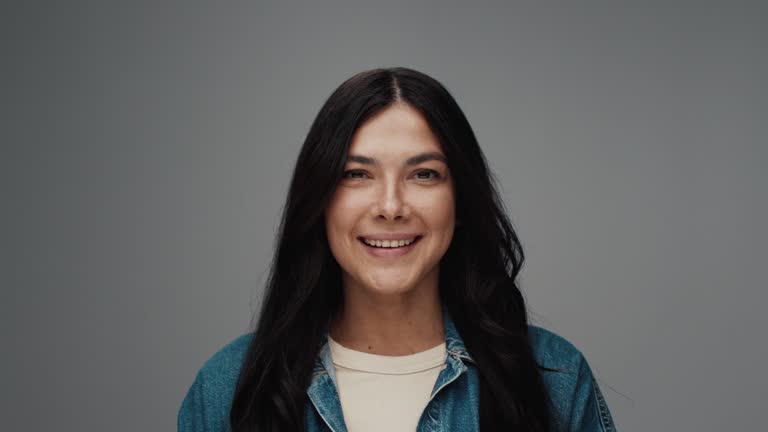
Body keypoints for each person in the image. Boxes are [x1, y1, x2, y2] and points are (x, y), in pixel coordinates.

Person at [178, 67, 616, 432]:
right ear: (320, 201)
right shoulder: (228, 388)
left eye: (423, 174)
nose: (390, 207)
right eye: (356, 175)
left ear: (460, 200)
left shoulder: (553, 377)